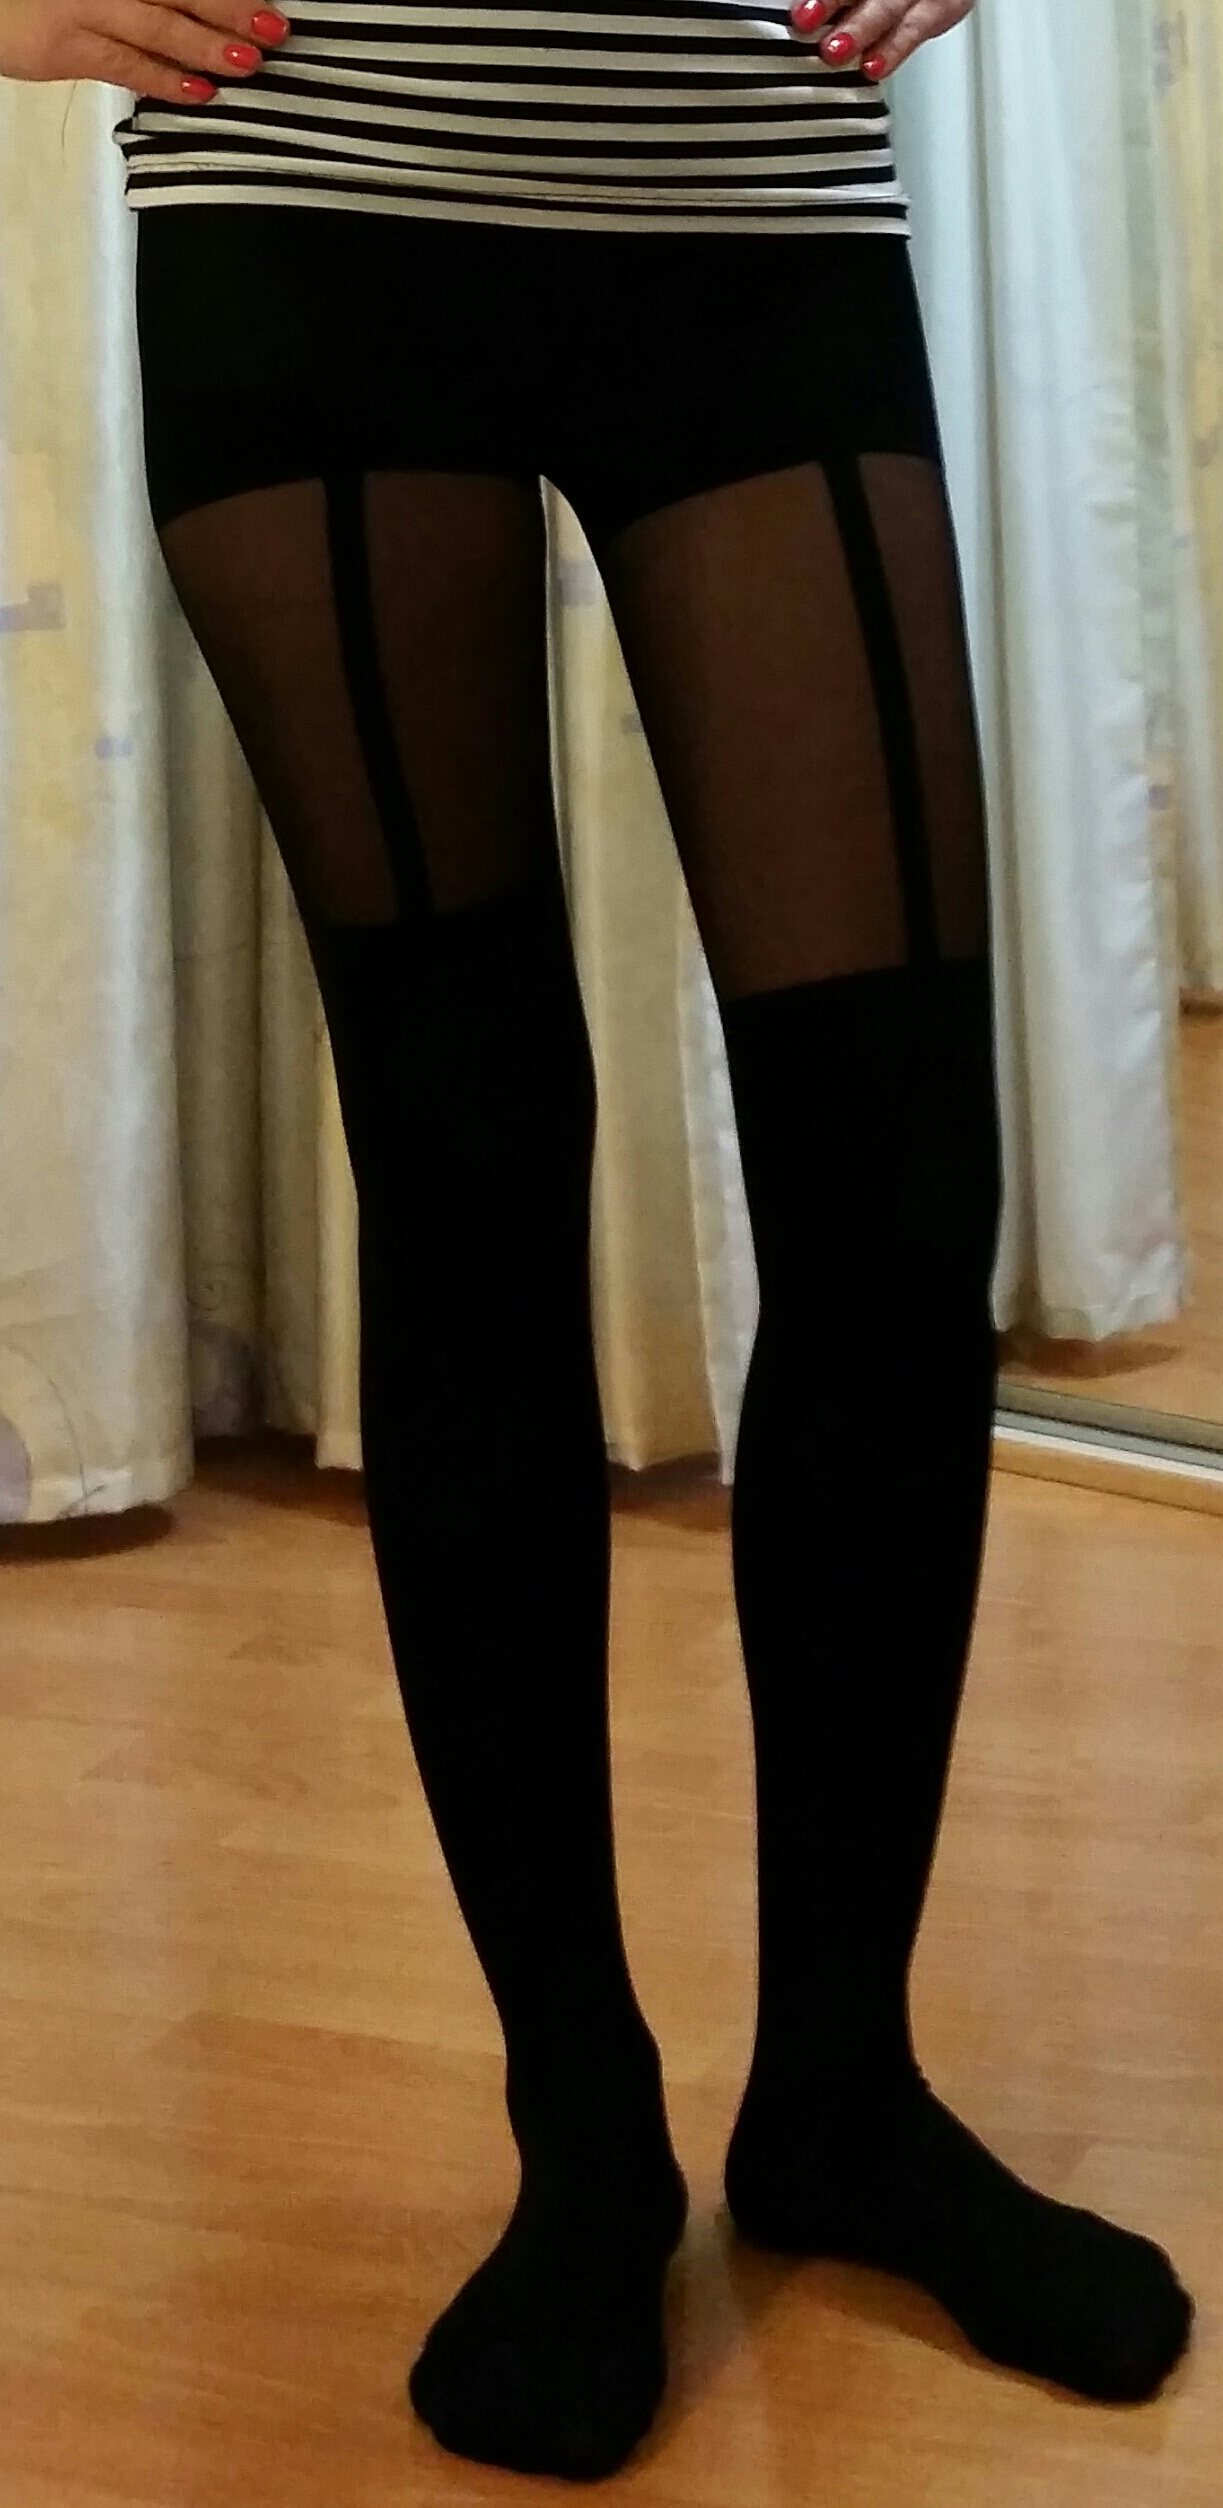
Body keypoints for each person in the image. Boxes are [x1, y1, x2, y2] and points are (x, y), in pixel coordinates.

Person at [5, 0, 1194, 2481]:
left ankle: (842, 2098)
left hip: (746, 181)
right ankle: (581, 2137)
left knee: (893, 1191)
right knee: (462, 1187)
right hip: (308, 186)